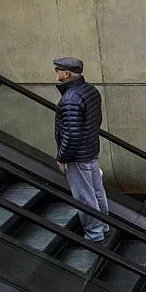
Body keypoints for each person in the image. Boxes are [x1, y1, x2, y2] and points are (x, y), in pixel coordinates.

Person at [54, 57, 110, 243]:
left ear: (67, 73)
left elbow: (71, 134)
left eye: (58, 69)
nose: (56, 73)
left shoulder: (70, 99)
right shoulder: (90, 91)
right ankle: (104, 226)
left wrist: (62, 157)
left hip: (77, 156)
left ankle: (94, 235)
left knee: (84, 197)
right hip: (91, 150)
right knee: (97, 191)